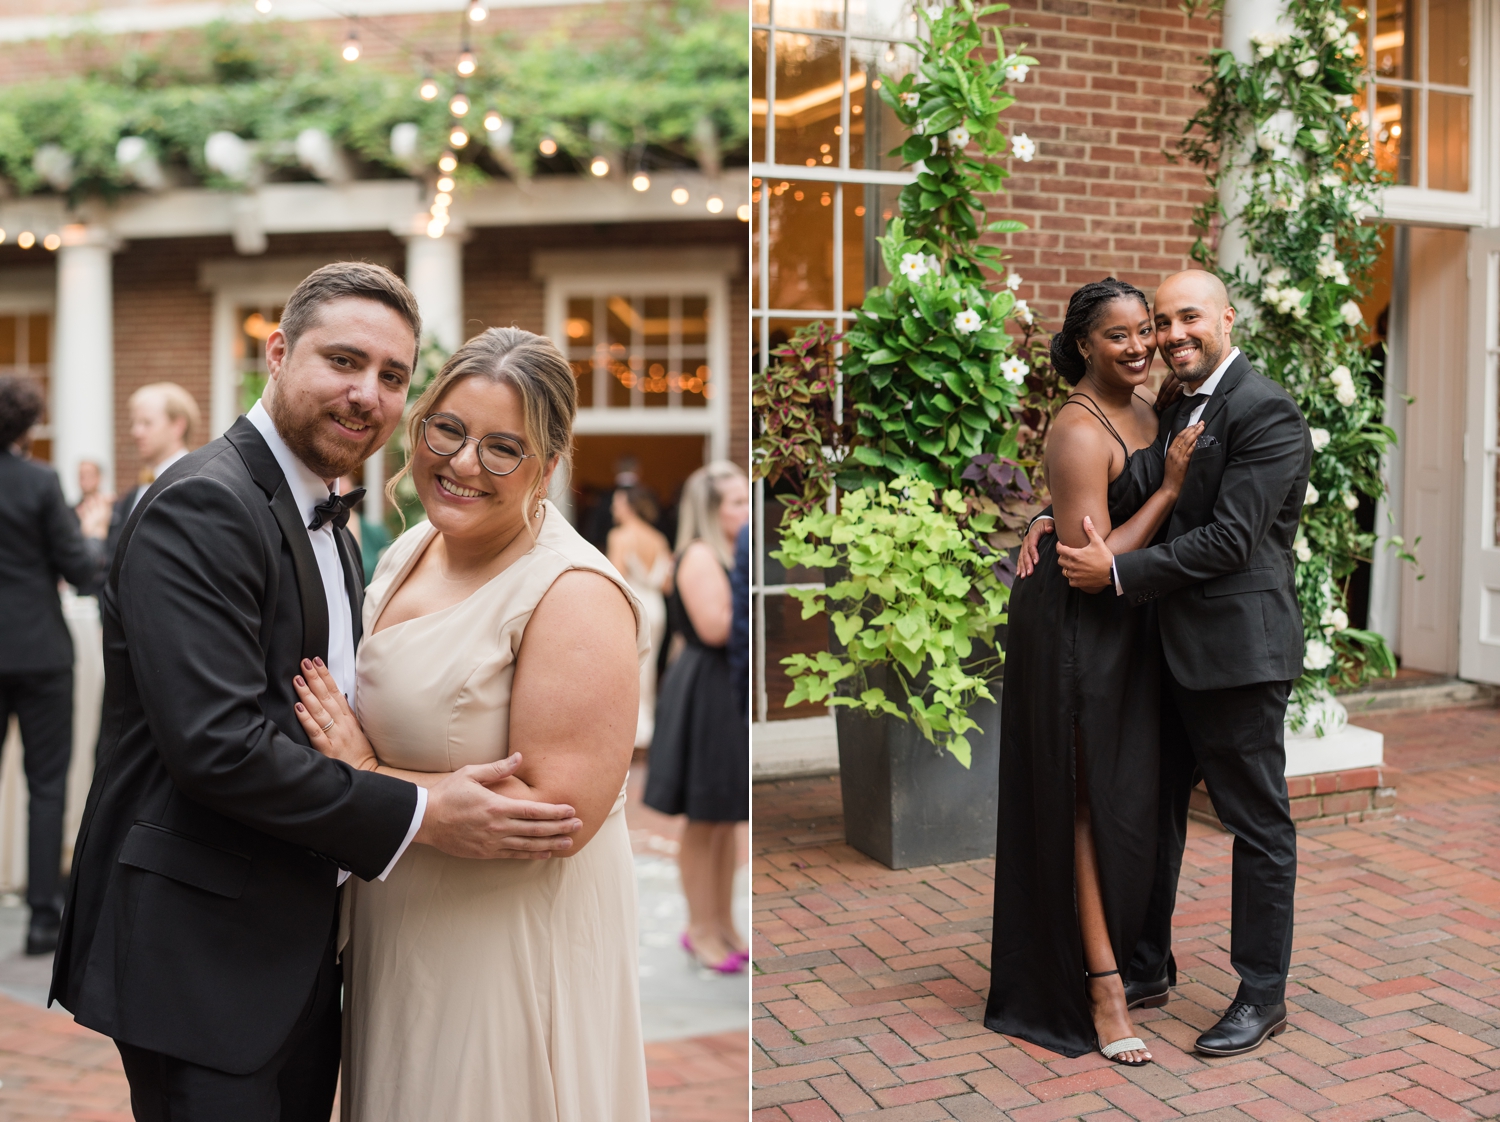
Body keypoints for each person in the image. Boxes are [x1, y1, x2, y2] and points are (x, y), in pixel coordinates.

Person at [51, 263, 584, 1122]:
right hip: (203, 956)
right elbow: (218, 747)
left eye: (392, 377)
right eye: (343, 361)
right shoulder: (204, 503)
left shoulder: (329, 524)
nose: (366, 393)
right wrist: (420, 811)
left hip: (298, 948)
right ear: (278, 351)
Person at [289, 326, 650, 1121]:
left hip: (506, 949)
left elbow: (556, 815)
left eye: (502, 448)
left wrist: (368, 778)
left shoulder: (573, 593)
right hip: (402, 928)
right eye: (447, 430)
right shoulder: (409, 549)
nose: (461, 464)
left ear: (548, 465)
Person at [1042, 269, 1313, 1058]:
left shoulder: (1266, 411)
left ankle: (1262, 995)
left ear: (1227, 318)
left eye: (1187, 318)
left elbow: (1231, 540)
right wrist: (1048, 523)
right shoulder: (1169, 404)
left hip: (1236, 654)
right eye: (1161, 322)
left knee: (1256, 824)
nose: (1171, 336)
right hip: (1161, 652)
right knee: (1150, 815)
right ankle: (1145, 965)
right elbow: (1133, 499)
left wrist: (1118, 574)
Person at [984, 279, 1204, 1065]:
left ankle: (1130, 958)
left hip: (1134, 626)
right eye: (1119, 336)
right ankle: (1104, 991)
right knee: (1084, 801)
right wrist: (1171, 486)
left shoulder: (1158, 402)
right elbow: (1092, 565)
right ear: (1083, 345)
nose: (1141, 345)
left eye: (1145, 330)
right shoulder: (1079, 427)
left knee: (1129, 801)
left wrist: (1048, 514)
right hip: (1082, 631)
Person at [0, 376, 107, 956]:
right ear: (29, 424)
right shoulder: (40, 483)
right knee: (45, 785)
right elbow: (79, 565)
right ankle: (44, 918)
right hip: (40, 650)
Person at [644, 461, 750, 972]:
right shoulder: (701, 555)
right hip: (706, 688)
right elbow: (715, 627)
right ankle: (699, 929)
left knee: (729, 820)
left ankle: (725, 923)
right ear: (710, 511)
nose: (747, 511)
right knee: (705, 819)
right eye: (736, 503)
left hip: (723, 685)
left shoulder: (730, 552)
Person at [99, 382, 200, 566]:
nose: (135, 432)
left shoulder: (196, 483)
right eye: (134, 423)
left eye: (146, 423)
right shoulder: (133, 493)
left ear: (178, 426)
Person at [608, 484, 673, 747]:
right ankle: (649, 724)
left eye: (617, 503)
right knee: (648, 666)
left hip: (633, 606)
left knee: (629, 669)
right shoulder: (658, 538)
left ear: (628, 507)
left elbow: (616, 576)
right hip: (657, 607)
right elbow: (667, 585)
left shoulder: (620, 536)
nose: (613, 508)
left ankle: (635, 729)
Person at [74, 459, 115, 541]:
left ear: (99, 477)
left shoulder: (112, 507)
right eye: (81, 475)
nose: (85, 479)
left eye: (89, 474)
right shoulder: (72, 511)